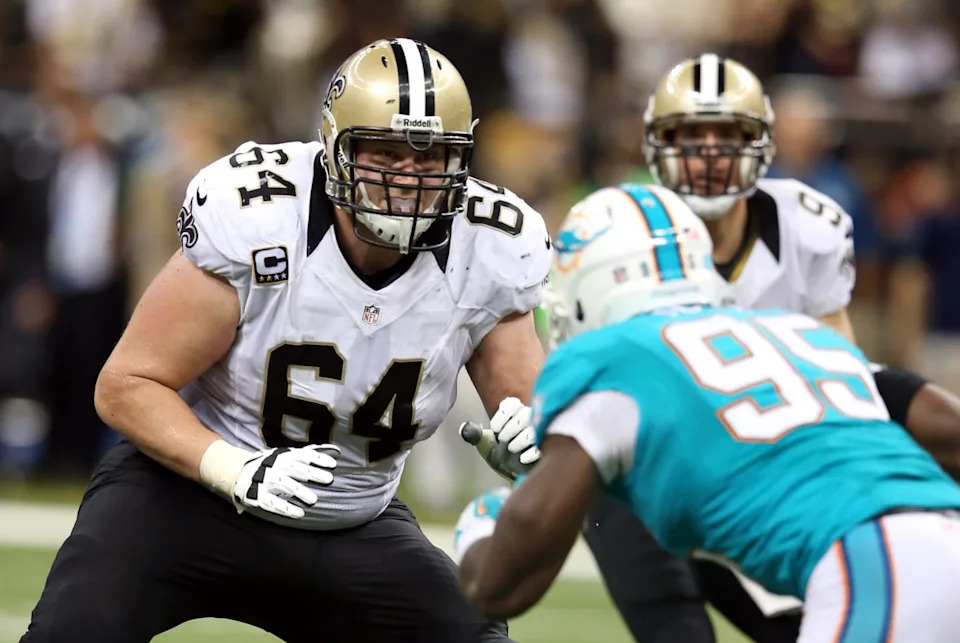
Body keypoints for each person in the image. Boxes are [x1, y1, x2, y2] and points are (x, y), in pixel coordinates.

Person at [21, 39, 550, 643]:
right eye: (386, 152)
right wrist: (232, 467)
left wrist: (536, 450)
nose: (407, 178)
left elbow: (532, 414)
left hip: (351, 520)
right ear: (334, 149)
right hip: (188, 499)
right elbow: (126, 384)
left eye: (431, 158)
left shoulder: (490, 248)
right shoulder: (261, 215)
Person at [455, 184, 960, 642]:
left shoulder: (611, 358)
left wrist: (484, 524)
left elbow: (499, 589)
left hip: (875, 565)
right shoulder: (795, 330)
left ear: (584, 291)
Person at [579, 54, 960, 643]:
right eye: (691, 135)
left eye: (727, 135)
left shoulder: (809, 225)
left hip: (783, 431)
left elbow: (844, 368)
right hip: (667, 444)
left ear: (760, 142)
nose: (709, 152)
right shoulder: (622, 229)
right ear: (657, 144)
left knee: (934, 417)